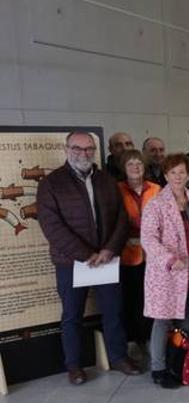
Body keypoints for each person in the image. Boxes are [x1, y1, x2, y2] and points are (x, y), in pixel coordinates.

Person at [36, 131, 140, 385]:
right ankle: (74, 366)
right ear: (67, 149)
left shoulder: (106, 180)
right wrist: (87, 254)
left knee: (113, 311)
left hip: (107, 259)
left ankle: (118, 357)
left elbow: (121, 220)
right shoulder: (51, 183)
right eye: (77, 148)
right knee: (72, 315)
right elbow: (52, 226)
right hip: (71, 262)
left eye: (89, 149)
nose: (84, 154)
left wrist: (109, 250)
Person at [141, 154, 189, 388]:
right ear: (165, 176)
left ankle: (182, 362)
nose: (177, 176)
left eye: (182, 172)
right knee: (162, 320)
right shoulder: (156, 204)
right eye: (172, 172)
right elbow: (148, 239)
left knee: (187, 319)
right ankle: (158, 368)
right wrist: (169, 259)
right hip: (167, 272)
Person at [117, 150, 161, 354]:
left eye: (139, 164)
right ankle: (134, 339)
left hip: (152, 255)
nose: (135, 168)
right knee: (130, 298)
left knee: (150, 297)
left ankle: (150, 337)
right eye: (130, 164)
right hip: (126, 255)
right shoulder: (116, 189)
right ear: (124, 168)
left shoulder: (156, 189)